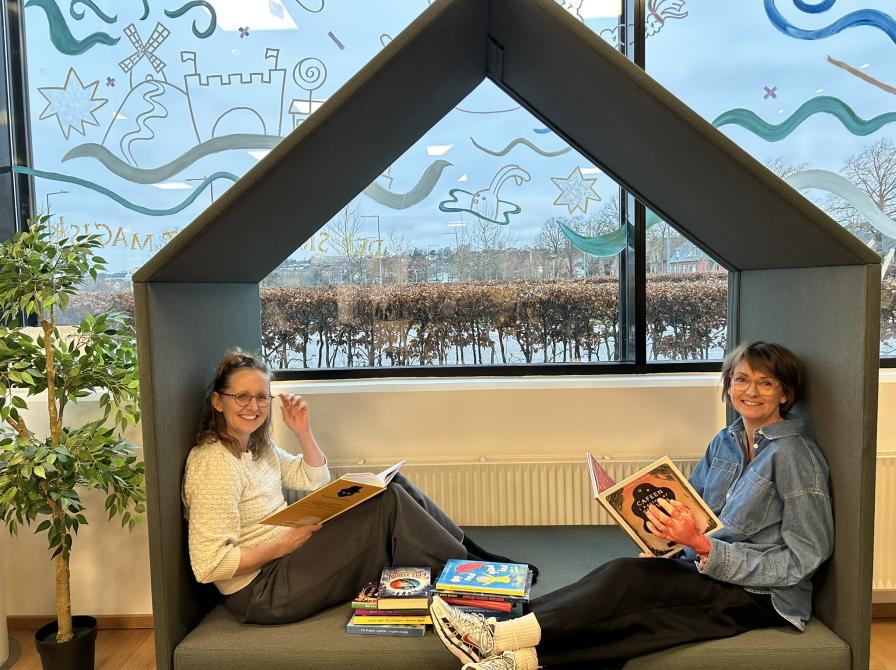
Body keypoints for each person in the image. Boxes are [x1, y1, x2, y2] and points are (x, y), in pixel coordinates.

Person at [429, 340, 834, 670]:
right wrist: (664, 543)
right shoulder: (724, 442)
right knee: (626, 587)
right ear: (728, 385)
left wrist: (705, 548)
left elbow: (807, 556)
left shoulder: (794, 456)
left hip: (761, 594)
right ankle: (516, 657)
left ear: (785, 394)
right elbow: (691, 510)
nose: (751, 391)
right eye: (741, 379)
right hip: (705, 567)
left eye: (766, 383)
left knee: (630, 584)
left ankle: (496, 637)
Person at [182, 350, 531, 625]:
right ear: (218, 401)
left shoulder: (257, 448)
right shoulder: (214, 464)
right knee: (387, 504)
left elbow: (313, 479)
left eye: (261, 397)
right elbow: (208, 565)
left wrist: (302, 431)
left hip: (287, 555)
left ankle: (473, 556)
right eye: (242, 397)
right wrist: (282, 545)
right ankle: (471, 578)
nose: (254, 407)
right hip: (261, 591)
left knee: (392, 485)